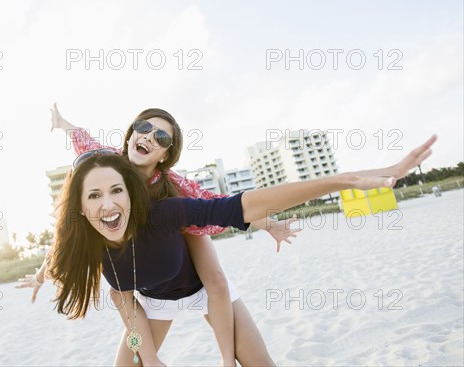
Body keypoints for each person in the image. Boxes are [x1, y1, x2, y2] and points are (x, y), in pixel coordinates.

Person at [46, 132, 435, 366]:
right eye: (94, 195)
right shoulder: (85, 246)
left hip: (203, 290)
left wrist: (346, 179)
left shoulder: (165, 214)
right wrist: (148, 356)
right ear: (80, 207)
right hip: (154, 303)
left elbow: (241, 205)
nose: (108, 204)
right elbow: (123, 299)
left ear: (131, 192)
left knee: (258, 363)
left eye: (116, 190)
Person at [20, 106, 300, 366]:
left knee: (257, 357)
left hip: (197, 283)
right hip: (156, 297)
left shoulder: (174, 188)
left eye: (162, 136)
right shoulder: (109, 165)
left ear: (165, 154)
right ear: (131, 135)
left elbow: (220, 205)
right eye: (143, 127)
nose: (149, 137)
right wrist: (62, 123)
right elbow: (68, 232)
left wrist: (269, 224)